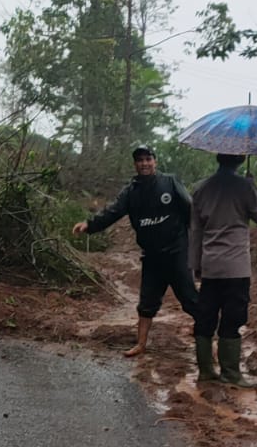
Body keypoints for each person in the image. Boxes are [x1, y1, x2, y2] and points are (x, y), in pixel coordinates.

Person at [73, 144, 198, 357]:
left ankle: (210, 339)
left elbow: (190, 209)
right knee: (147, 302)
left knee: (189, 298)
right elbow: (113, 212)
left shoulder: (170, 182)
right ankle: (141, 344)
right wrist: (90, 225)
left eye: (148, 159)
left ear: (155, 161)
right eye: (140, 160)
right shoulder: (130, 192)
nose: (144, 164)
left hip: (177, 253)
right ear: (135, 164)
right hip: (151, 256)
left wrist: (193, 239)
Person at [189, 154, 257, 387]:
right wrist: (254, 188)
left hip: (210, 265)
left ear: (217, 157)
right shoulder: (245, 186)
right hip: (236, 266)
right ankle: (231, 373)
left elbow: (195, 231)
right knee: (232, 318)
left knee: (205, 317)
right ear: (241, 160)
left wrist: (196, 265)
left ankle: (205, 370)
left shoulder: (200, 188)